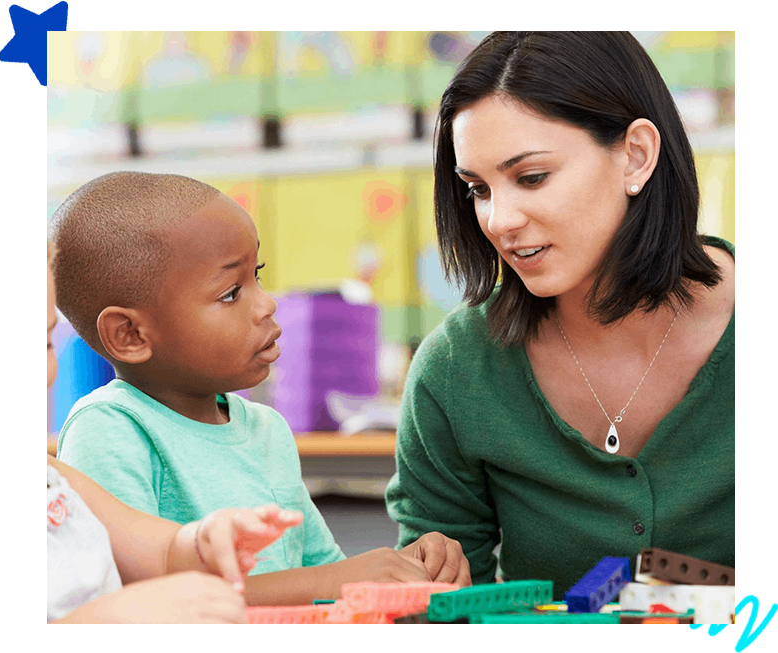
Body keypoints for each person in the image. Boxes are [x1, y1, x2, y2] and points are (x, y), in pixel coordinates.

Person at [385, 31, 734, 598]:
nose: (498, 220)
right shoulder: (457, 369)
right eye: (477, 188)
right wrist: (430, 574)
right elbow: (444, 598)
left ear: (637, 155)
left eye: (531, 177)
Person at [49, 172, 471, 609]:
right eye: (231, 293)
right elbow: (137, 600)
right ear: (130, 335)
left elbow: (324, 579)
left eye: (258, 275)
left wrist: (407, 572)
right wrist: (338, 581)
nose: (267, 304)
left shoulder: (266, 428)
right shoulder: (110, 428)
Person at [48, 241, 305, 623]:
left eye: (45, 341)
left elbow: (164, 551)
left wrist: (204, 540)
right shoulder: (106, 425)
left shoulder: (57, 480)